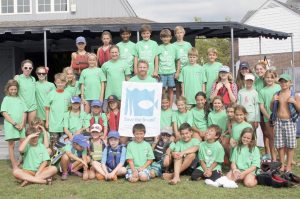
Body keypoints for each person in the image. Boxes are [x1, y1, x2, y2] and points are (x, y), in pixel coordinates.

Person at [271, 73, 300, 173]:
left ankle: (289, 166)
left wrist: (294, 102)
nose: (283, 83)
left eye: (285, 81)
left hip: (290, 122)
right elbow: (272, 109)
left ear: (290, 83)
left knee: (290, 145)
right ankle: (282, 165)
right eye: (282, 82)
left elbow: (299, 110)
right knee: (280, 145)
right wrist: (272, 101)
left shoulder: (294, 95)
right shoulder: (277, 94)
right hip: (278, 121)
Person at [1, 79, 27, 168]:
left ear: (17, 89)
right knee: (11, 145)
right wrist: (15, 124)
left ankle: (21, 160)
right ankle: (14, 164)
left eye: (15, 89)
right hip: (11, 125)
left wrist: (23, 123)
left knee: (23, 143)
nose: (13, 91)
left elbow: (24, 111)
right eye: (11, 89)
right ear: (8, 89)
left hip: (21, 125)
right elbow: (4, 113)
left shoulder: (20, 98)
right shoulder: (6, 99)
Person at [45, 73, 72, 150]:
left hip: (64, 125)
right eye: (58, 82)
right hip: (54, 124)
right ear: (55, 82)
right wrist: (47, 121)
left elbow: (70, 108)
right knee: (54, 144)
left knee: (64, 143)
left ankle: (63, 159)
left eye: (62, 82)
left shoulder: (68, 94)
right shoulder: (51, 94)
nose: (60, 84)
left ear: (65, 82)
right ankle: (54, 159)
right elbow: (47, 108)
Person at [154, 28, 180, 107]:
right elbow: (157, 59)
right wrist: (156, 70)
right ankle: (161, 105)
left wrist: (177, 71)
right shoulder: (159, 47)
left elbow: (178, 60)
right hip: (162, 72)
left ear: (170, 37)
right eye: (164, 37)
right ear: (161, 38)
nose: (165, 39)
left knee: (171, 90)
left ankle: (170, 106)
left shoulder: (174, 47)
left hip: (171, 72)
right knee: (161, 90)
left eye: (167, 37)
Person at [259, 70, 281, 161]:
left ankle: (282, 158)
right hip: (268, 118)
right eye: (267, 77)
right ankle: (274, 159)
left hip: (280, 117)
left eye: (271, 77)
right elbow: (261, 106)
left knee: (280, 138)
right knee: (271, 138)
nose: (269, 79)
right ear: (264, 78)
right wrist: (269, 117)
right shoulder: (262, 91)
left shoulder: (279, 87)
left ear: (275, 78)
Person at [14, 59, 36, 126]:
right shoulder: (17, 78)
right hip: (21, 105)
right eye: (25, 67)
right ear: (22, 68)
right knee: (22, 127)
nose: (28, 69)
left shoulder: (33, 79)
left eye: (30, 68)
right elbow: (13, 91)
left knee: (32, 127)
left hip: (32, 106)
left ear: (32, 69)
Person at [173, 26, 192, 98]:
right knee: (178, 88)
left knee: (186, 88)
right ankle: (179, 104)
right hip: (177, 70)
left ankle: (187, 104)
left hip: (187, 69)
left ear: (184, 34)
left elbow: (191, 55)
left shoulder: (188, 44)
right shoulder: (173, 45)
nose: (179, 34)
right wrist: (176, 71)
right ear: (175, 35)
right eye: (177, 33)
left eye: (181, 32)